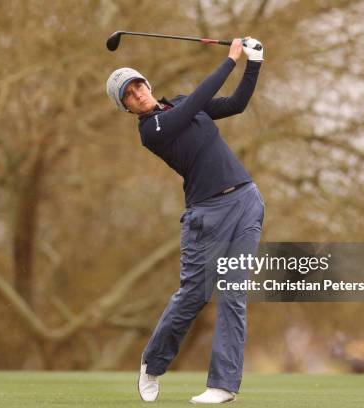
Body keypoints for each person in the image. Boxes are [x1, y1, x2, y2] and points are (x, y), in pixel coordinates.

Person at [106, 37, 265, 404]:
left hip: (245, 202)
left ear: (148, 84)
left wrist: (254, 62)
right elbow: (195, 102)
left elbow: (236, 104)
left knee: (233, 295)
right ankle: (153, 362)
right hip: (205, 216)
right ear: (127, 108)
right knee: (193, 295)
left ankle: (223, 386)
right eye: (129, 95)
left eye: (138, 85)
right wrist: (229, 61)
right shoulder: (151, 130)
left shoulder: (176, 102)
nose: (137, 94)